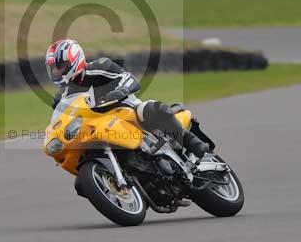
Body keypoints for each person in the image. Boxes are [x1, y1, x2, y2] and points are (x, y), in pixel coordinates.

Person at [45, 38, 211, 159]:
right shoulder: (63, 96)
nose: (56, 72)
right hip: (98, 126)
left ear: (75, 60)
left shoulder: (100, 66)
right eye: (53, 69)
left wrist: (121, 90)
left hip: (126, 110)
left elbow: (129, 78)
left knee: (152, 108)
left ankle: (193, 144)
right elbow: (60, 119)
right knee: (80, 185)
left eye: (60, 66)